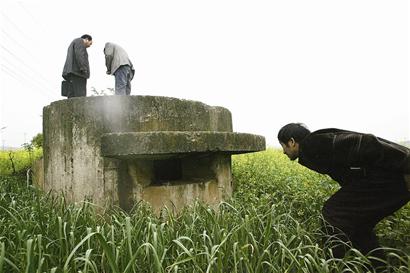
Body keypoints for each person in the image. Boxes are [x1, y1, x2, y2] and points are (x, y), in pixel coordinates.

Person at [277, 123, 410, 268]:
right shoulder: (312, 148)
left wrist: (407, 164)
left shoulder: (313, 144)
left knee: (333, 213)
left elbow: (365, 143)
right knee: (360, 225)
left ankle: (334, 267)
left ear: (291, 142)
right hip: (388, 181)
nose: (283, 151)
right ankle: (379, 268)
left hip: (393, 178)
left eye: (283, 145)